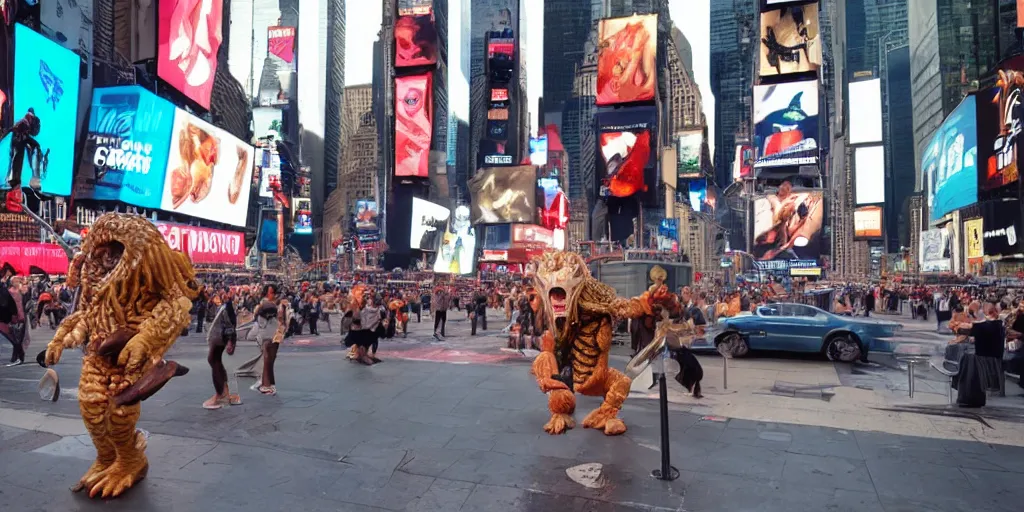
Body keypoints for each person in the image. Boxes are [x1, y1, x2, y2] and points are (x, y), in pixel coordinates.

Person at [203, 292, 242, 409]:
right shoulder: (223, 307)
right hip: (218, 338)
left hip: (220, 338)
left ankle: (221, 395)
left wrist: (230, 341)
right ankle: (223, 392)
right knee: (214, 361)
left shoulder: (227, 308)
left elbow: (230, 325)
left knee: (214, 361)